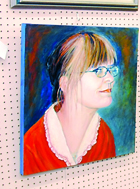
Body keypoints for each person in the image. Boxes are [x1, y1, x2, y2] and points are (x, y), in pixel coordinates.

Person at [23, 32, 118, 175]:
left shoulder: (104, 135)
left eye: (111, 70)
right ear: (65, 83)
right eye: (99, 71)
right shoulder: (32, 145)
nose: (110, 79)